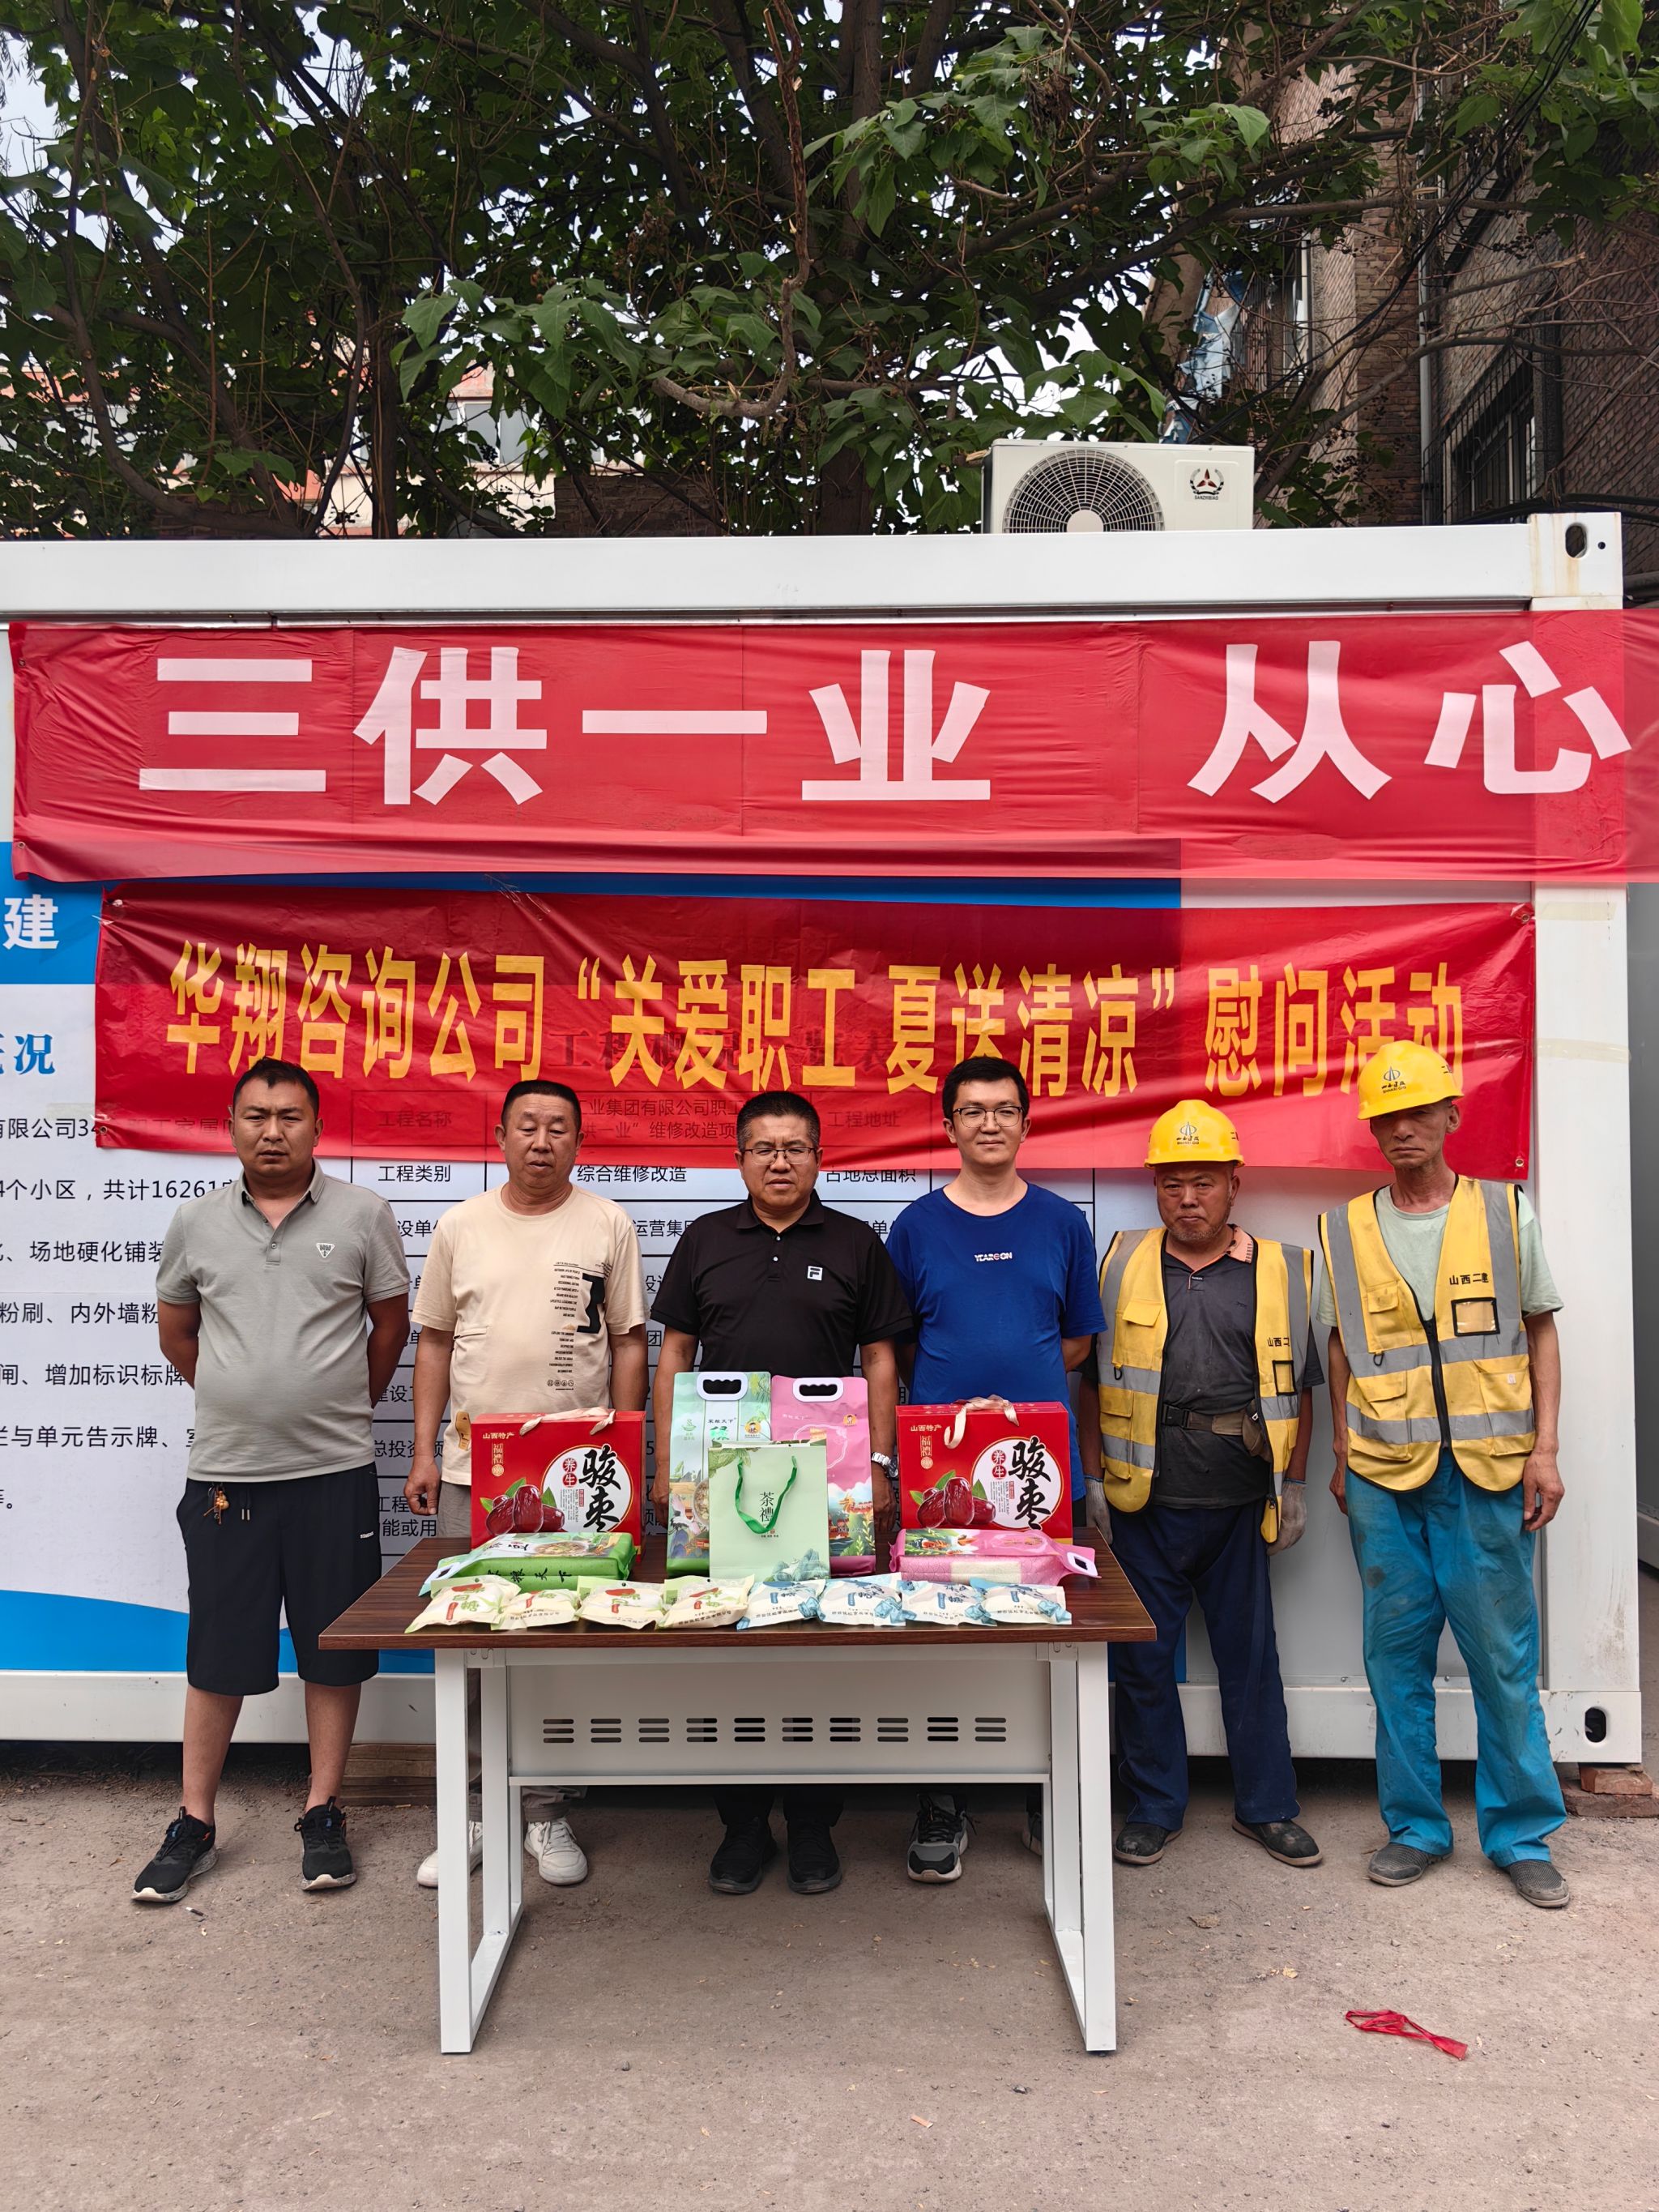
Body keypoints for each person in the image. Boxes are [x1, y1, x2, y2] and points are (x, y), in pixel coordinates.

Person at [134, 1058, 410, 1904]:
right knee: (219, 1652)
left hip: (335, 1473)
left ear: (317, 1128)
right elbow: (177, 1333)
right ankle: (194, 1820)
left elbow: (390, 1325)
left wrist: (338, 1405)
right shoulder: (196, 1221)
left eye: (290, 1116)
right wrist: (241, 1399)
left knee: (332, 1651)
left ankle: (323, 1810)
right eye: (256, 1115)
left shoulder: (362, 1214)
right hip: (228, 1475)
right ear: (231, 1125)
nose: (273, 1131)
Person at [1318, 1041, 1568, 1907]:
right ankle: (1415, 1828)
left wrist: (1544, 1449)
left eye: (1419, 1112)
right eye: (1387, 1116)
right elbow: (1340, 1346)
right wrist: (1342, 1454)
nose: (1403, 1129)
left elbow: (1540, 1327)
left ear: (1451, 1116)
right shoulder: (1343, 1228)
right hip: (1383, 1476)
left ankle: (1521, 1834)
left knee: (1501, 1657)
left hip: (1487, 1474)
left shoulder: (1503, 1212)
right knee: (1393, 1659)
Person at [650, 1089, 911, 1899]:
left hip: (825, 1482)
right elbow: (675, 1355)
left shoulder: (854, 1243)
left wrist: (879, 1463)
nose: (779, 1162)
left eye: (795, 1148)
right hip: (721, 1482)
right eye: (763, 1148)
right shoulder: (704, 1239)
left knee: (815, 1650)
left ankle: (812, 1824)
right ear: (738, 1159)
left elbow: (879, 1359)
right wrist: (666, 1464)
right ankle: (740, 1825)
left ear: (819, 1158)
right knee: (728, 1651)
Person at [404, 1080, 647, 1889]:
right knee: (467, 1641)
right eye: (527, 1127)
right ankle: (473, 1812)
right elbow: (434, 1343)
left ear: (579, 1141)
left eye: (558, 1129)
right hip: (473, 1471)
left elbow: (628, 1342)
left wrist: (622, 1445)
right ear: (501, 1136)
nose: (542, 1142)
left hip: (574, 1475)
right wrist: (424, 1452)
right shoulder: (460, 1226)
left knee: (555, 1643)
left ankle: (544, 1810)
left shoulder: (607, 1223)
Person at [1079, 1100, 1323, 1873]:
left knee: (1251, 1663)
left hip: (1239, 1502)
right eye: (1172, 1183)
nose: (1188, 1199)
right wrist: (1092, 1477)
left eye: (1204, 1182)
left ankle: (1268, 1807)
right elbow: (1091, 1380)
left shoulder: (1280, 1270)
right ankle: (1154, 1808)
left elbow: (1301, 1387)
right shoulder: (1120, 1262)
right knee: (1142, 1663)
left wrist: (1294, 1484)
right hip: (1142, 1503)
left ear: (1234, 1185)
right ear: (1155, 1187)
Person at [885, 1055, 1106, 1882]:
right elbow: (901, 1348)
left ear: (1025, 1122)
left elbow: (1075, 1341)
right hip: (941, 1471)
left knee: (1044, 1631)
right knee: (941, 1635)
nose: (989, 1123)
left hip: (1039, 1466)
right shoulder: (915, 1227)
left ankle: (1047, 1794)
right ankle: (942, 1799)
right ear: (948, 1126)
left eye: (1004, 1109)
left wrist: (1013, 1402)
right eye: (972, 1110)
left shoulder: (1061, 1223)